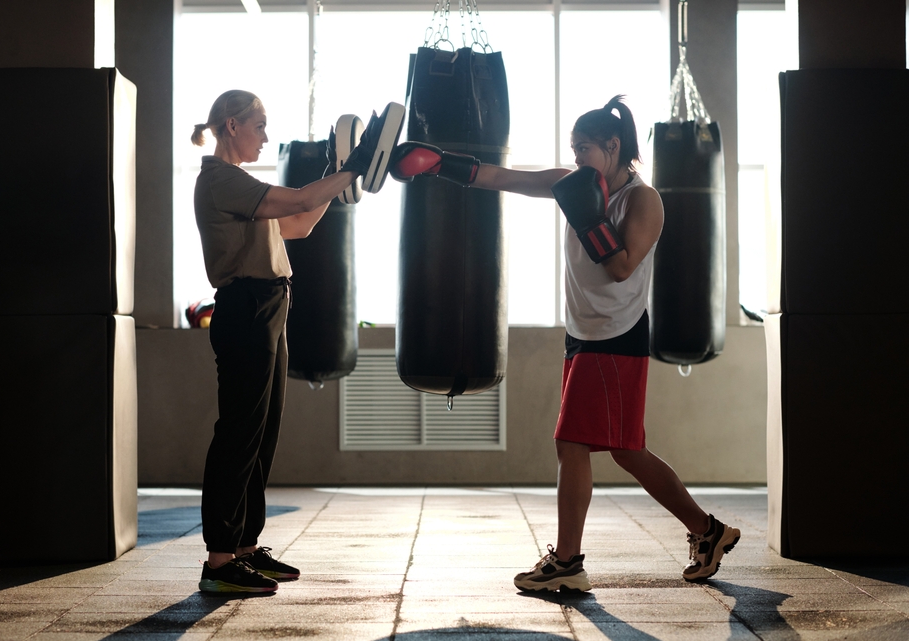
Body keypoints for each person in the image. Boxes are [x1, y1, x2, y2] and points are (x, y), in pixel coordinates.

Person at [389, 95, 740, 592]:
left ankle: (569, 561)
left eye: (583, 149)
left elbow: (621, 268)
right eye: (573, 149)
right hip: (582, 334)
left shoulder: (643, 200)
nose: (576, 158)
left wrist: (589, 218)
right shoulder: (572, 183)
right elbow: (504, 178)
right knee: (627, 451)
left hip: (615, 336)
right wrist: (440, 164)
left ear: (612, 146)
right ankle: (708, 531)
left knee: (572, 443)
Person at [191, 90, 389, 594]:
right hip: (247, 308)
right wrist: (353, 167)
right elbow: (299, 199)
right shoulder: (221, 180)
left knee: (263, 433)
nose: (265, 136)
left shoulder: (242, 187)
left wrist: (337, 176)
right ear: (232, 125)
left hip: (271, 307)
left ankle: (244, 547)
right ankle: (219, 561)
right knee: (239, 432)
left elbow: (299, 223)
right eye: (258, 125)